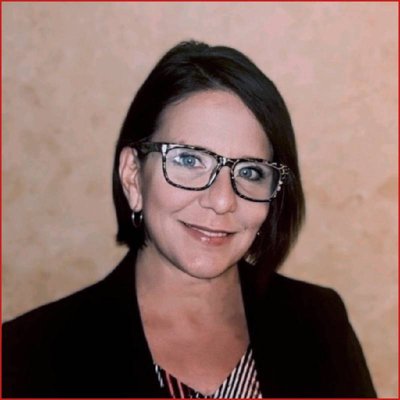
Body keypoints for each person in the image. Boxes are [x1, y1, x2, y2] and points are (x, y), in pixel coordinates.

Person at [2, 40, 377, 398]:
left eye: (249, 172)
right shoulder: (26, 356)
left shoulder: (319, 321)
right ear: (133, 175)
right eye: (188, 160)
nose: (221, 200)